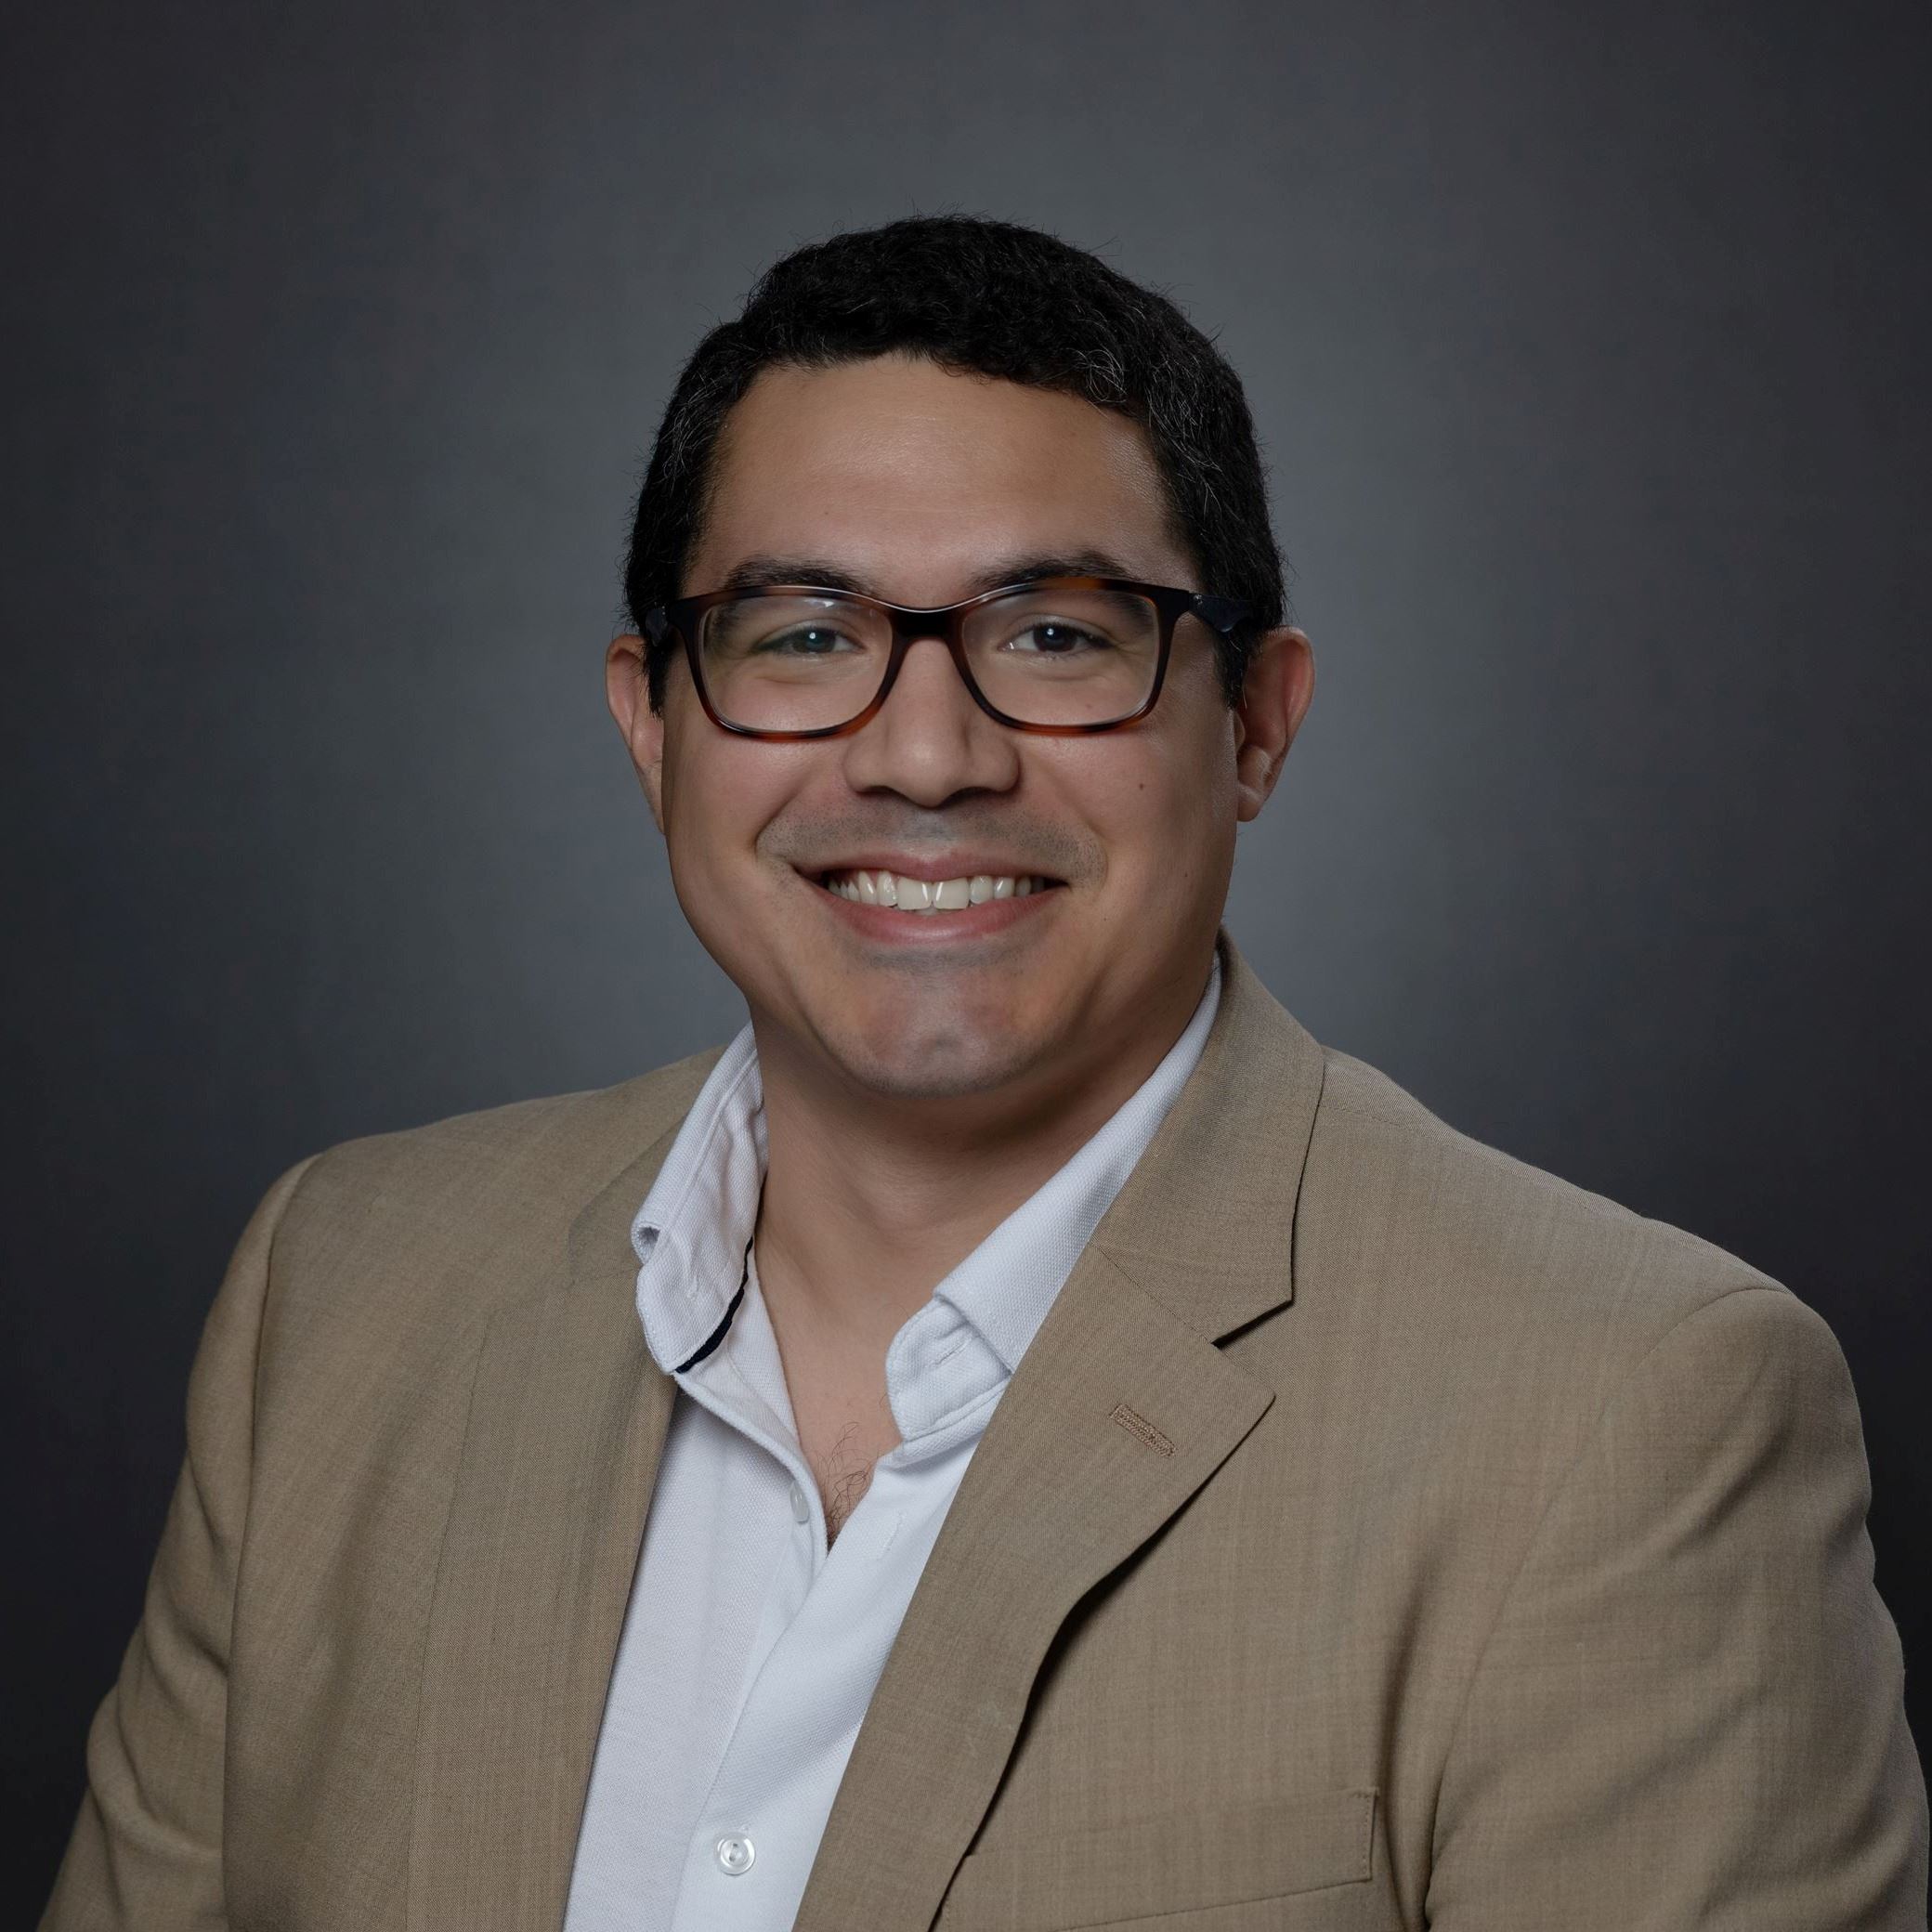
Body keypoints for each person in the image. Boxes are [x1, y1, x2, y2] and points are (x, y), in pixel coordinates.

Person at [44, 215, 1926, 1932]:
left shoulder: (1624, 1414)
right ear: (651, 723)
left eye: (1051, 636)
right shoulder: (345, 1293)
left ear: (1252, 723)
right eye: (799, 637)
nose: (924, 752)